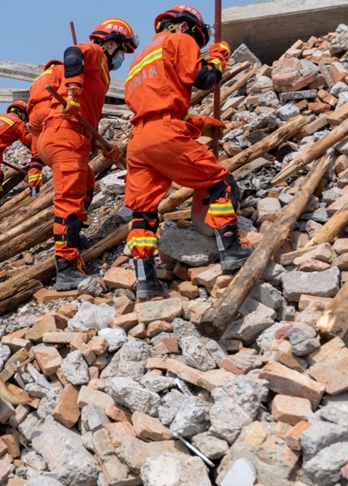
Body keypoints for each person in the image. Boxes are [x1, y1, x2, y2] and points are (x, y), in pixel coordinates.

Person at [123, 5, 246, 300]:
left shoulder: (138, 63)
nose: (197, 44)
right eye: (197, 38)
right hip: (163, 132)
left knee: (143, 212)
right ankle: (231, 250)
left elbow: (154, 105)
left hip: (138, 141)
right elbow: (204, 79)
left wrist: (198, 123)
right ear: (186, 26)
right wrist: (217, 56)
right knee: (220, 183)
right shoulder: (180, 39)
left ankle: (145, 282)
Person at [38, 18, 138, 291]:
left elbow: (87, 116)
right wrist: (73, 88)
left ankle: (75, 237)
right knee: (69, 201)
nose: (123, 58)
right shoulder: (95, 53)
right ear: (110, 42)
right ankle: (66, 268)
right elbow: (73, 54)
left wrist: (103, 146)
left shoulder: (102, 72)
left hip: (74, 136)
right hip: (64, 134)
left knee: (87, 184)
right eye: (123, 50)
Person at [26, 59, 63, 196]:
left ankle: (34, 189)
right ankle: (61, 181)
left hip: (33, 116)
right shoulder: (59, 70)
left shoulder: (36, 80)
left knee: (36, 155)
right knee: (60, 142)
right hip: (48, 107)